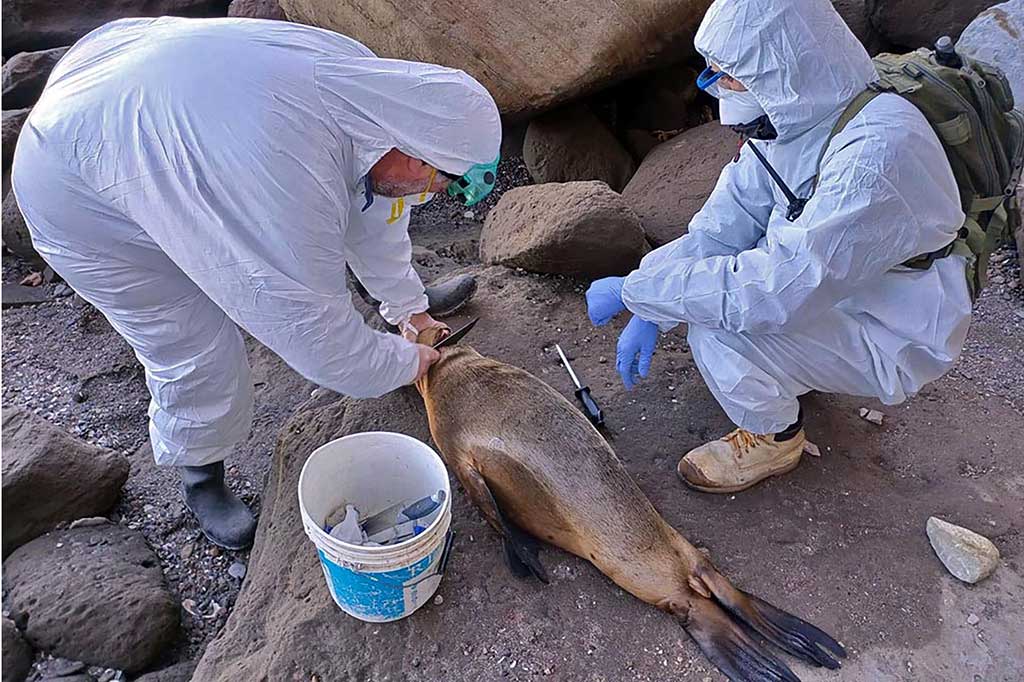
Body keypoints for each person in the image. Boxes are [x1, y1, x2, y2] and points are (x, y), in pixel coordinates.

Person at [12, 17, 502, 549]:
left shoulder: (370, 91)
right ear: (413, 150)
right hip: (79, 183)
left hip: (142, 95)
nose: (431, 194)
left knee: (322, 217)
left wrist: (407, 306)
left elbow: (378, 205)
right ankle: (200, 472)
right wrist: (408, 363)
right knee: (191, 339)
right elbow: (311, 335)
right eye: (436, 181)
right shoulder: (285, 173)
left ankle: (406, 303)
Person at [586, 0, 971, 493]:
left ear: (784, 68)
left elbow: (771, 292)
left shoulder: (875, 158)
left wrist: (639, 291)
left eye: (731, 76)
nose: (718, 88)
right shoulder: (796, 120)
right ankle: (795, 368)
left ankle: (776, 438)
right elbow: (721, 230)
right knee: (715, 299)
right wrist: (651, 307)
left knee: (716, 329)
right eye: (715, 73)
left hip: (898, 326)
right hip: (850, 289)